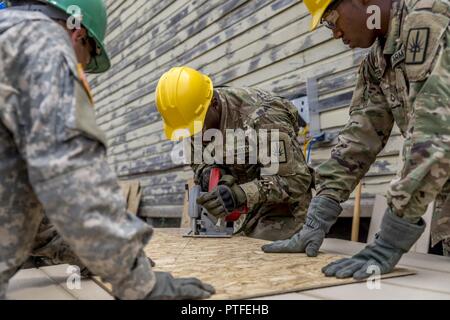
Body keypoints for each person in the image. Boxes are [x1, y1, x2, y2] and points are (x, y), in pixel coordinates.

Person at [0, 0, 214, 300]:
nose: (81, 70)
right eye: (85, 61)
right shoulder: (42, 45)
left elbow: (27, 213)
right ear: (78, 35)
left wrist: (95, 258)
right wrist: (139, 281)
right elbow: (73, 182)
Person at [262, 0, 450, 278]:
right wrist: (316, 218)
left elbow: (436, 132)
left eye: (331, 19)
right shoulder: (377, 62)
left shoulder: (428, 18)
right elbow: (356, 142)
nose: (334, 33)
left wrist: (388, 241)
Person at [156, 66, 313, 241]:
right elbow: (198, 161)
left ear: (214, 104)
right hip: (240, 214)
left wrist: (240, 194)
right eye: (188, 132)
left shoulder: (262, 115)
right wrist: (210, 173)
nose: (194, 137)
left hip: (283, 210)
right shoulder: (192, 117)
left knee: (259, 252)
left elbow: (296, 181)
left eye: (197, 128)